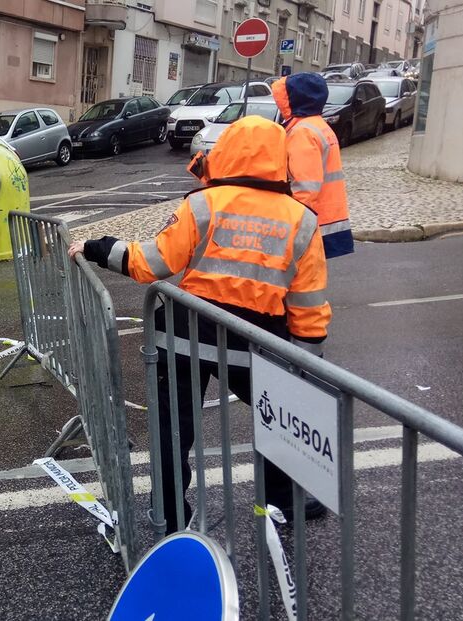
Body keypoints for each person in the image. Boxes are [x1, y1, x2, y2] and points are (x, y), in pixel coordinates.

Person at [68, 116, 332, 533]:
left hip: (187, 334)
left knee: (173, 431)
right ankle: (282, 500)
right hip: (259, 341)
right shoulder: (302, 220)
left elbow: (151, 263)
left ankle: (170, 516)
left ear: (225, 152)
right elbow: (309, 302)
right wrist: (306, 362)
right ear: (280, 160)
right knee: (280, 418)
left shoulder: (203, 204)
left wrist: (98, 247)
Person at [272, 72, 353, 258]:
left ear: (293, 99)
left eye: (281, 97)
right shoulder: (319, 125)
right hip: (328, 217)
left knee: (296, 281)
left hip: (311, 222)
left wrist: (290, 226)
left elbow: (305, 187)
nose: (278, 102)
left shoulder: (303, 132)